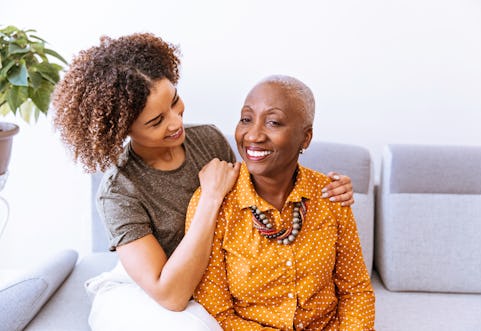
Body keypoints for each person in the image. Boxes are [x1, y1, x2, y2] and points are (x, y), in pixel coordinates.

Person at [52, 33, 356, 331]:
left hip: (205, 286)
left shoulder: (207, 140)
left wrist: (328, 188)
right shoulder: (119, 192)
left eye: (174, 101)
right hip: (149, 290)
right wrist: (209, 199)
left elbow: (261, 187)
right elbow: (169, 294)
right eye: (156, 121)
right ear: (122, 130)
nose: (175, 122)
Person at [186, 75, 375, 330]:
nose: (253, 135)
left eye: (273, 122)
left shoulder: (330, 196)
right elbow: (217, 311)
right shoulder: (215, 201)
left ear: (305, 138)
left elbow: (356, 291)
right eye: (246, 119)